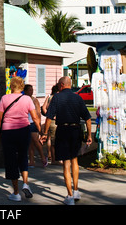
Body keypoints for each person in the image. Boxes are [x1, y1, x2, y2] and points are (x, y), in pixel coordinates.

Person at [40, 76, 92, 205]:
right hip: (75, 130)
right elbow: (88, 118)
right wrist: (89, 135)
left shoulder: (57, 97)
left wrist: (45, 133)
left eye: (58, 85)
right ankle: (76, 190)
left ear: (62, 85)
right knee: (74, 159)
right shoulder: (78, 98)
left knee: (66, 162)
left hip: (63, 130)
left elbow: (48, 117)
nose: (58, 87)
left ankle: (69, 196)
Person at [0, 76, 41, 202]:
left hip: (8, 131)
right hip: (23, 131)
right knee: (23, 157)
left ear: (11, 86)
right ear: (22, 86)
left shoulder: (5, 98)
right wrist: (39, 129)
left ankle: (16, 192)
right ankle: (25, 183)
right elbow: (35, 117)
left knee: (11, 160)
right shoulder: (27, 99)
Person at [24, 84, 48, 167]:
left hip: (33, 122)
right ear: (25, 91)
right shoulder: (23, 99)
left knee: (35, 140)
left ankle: (42, 157)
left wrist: (39, 124)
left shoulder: (34, 100)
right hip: (25, 123)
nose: (31, 91)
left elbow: (38, 113)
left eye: (32, 89)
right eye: (29, 90)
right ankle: (31, 161)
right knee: (30, 143)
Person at [41, 84, 59, 164]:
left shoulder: (49, 97)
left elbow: (43, 108)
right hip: (55, 121)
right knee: (55, 139)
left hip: (49, 120)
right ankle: (54, 159)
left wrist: (48, 114)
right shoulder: (57, 98)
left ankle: (49, 154)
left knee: (49, 138)